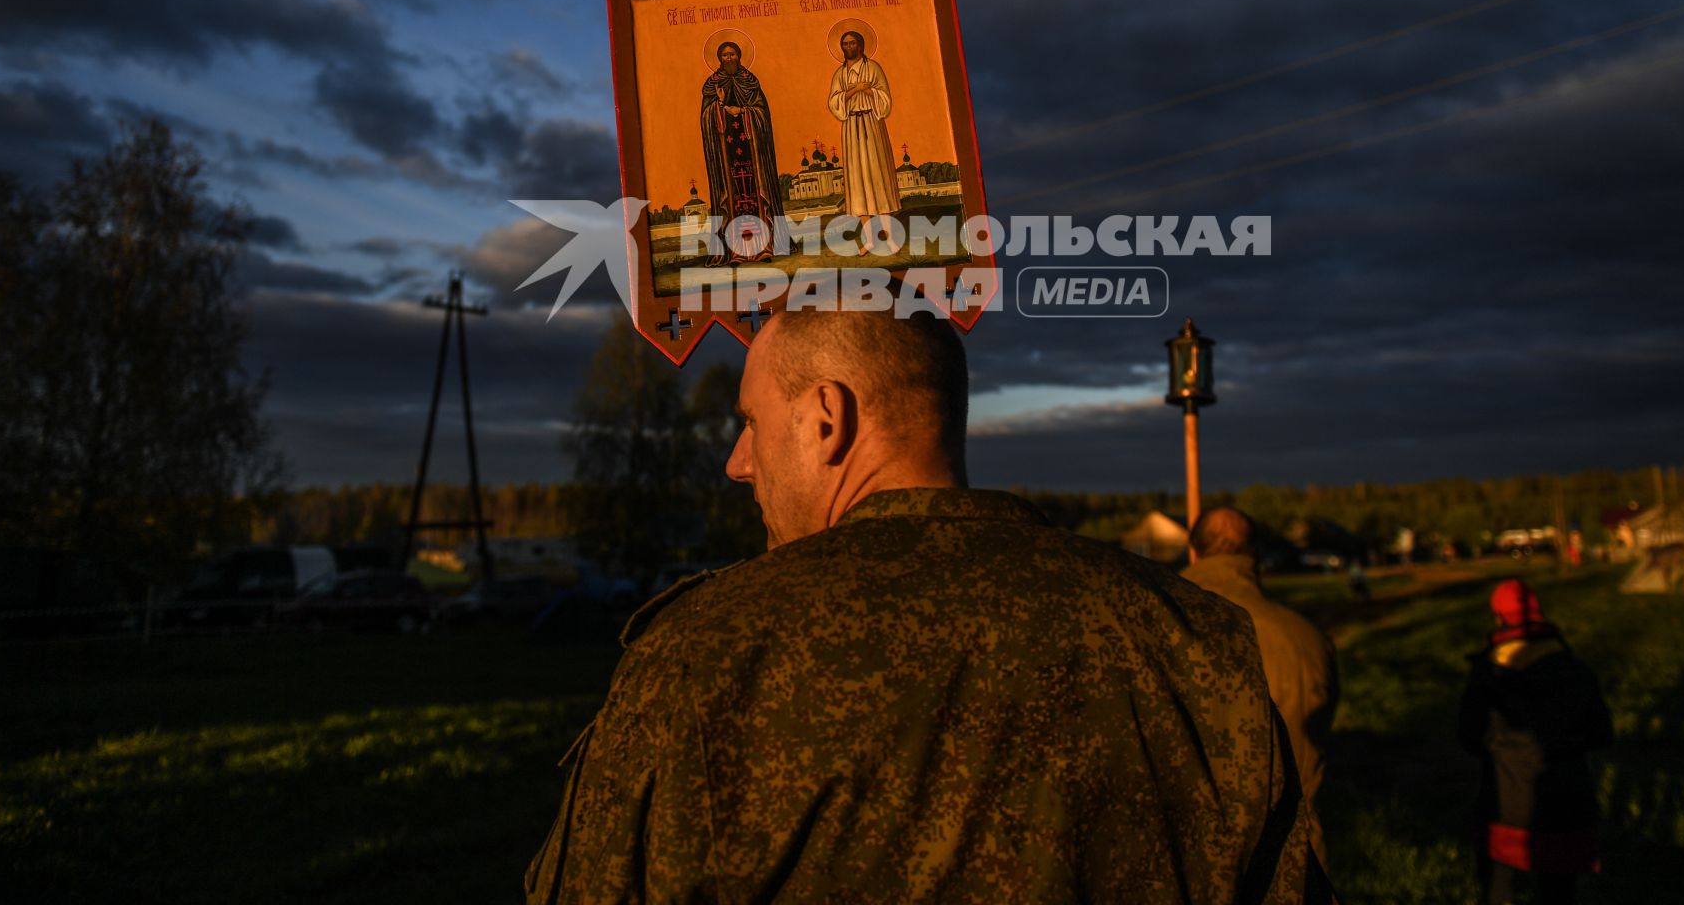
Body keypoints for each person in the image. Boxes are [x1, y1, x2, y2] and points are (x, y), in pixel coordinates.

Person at [526, 307, 1330, 904]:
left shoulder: (704, 650)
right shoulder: (1193, 637)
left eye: (751, 423)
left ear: (827, 419)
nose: (739, 462)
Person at [1182, 506, 1341, 866]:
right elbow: (1317, 736)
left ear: (1196, 551)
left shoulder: (1151, 622)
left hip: (1191, 864)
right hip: (1292, 865)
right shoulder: (1305, 638)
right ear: (1253, 553)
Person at [1457, 578, 1613, 905]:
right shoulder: (1576, 670)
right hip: (1567, 803)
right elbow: (1601, 733)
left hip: (1504, 804)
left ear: (1499, 618)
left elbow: (1468, 736)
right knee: (1558, 891)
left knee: (1499, 886)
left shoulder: (1488, 675)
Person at [700, 38, 784, 263]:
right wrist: (719, 108)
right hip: (726, 154)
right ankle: (735, 252)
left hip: (753, 150)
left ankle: (765, 248)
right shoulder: (712, 84)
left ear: (739, 56)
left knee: (757, 195)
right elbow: (706, 117)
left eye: (733, 54)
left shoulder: (750, 81)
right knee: (732, 199)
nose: (729, 59)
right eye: (725, 55)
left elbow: (762, 113)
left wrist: (745, 112)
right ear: (719, 59)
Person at [825, 27, 901, 222]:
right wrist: (855, 90)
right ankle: (869, 239)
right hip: (851, 126)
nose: (849, 46)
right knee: (857, 179)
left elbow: (885, 99)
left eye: (852, 43)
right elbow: (834, 101)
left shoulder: (873, 68)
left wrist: (868, 92)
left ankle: (890, 235)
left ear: (860, 45)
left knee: (878, 174)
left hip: (872, 123)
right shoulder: (840, 74)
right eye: (845, 44)